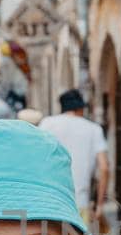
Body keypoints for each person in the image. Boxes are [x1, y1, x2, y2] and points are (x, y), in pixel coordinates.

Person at [40, 89, 109, 225]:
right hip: (79, 202)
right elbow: (104, 168)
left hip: (49, 202)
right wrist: (100, 205)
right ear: (80, 108)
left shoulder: (46, 124)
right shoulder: (94, 129)